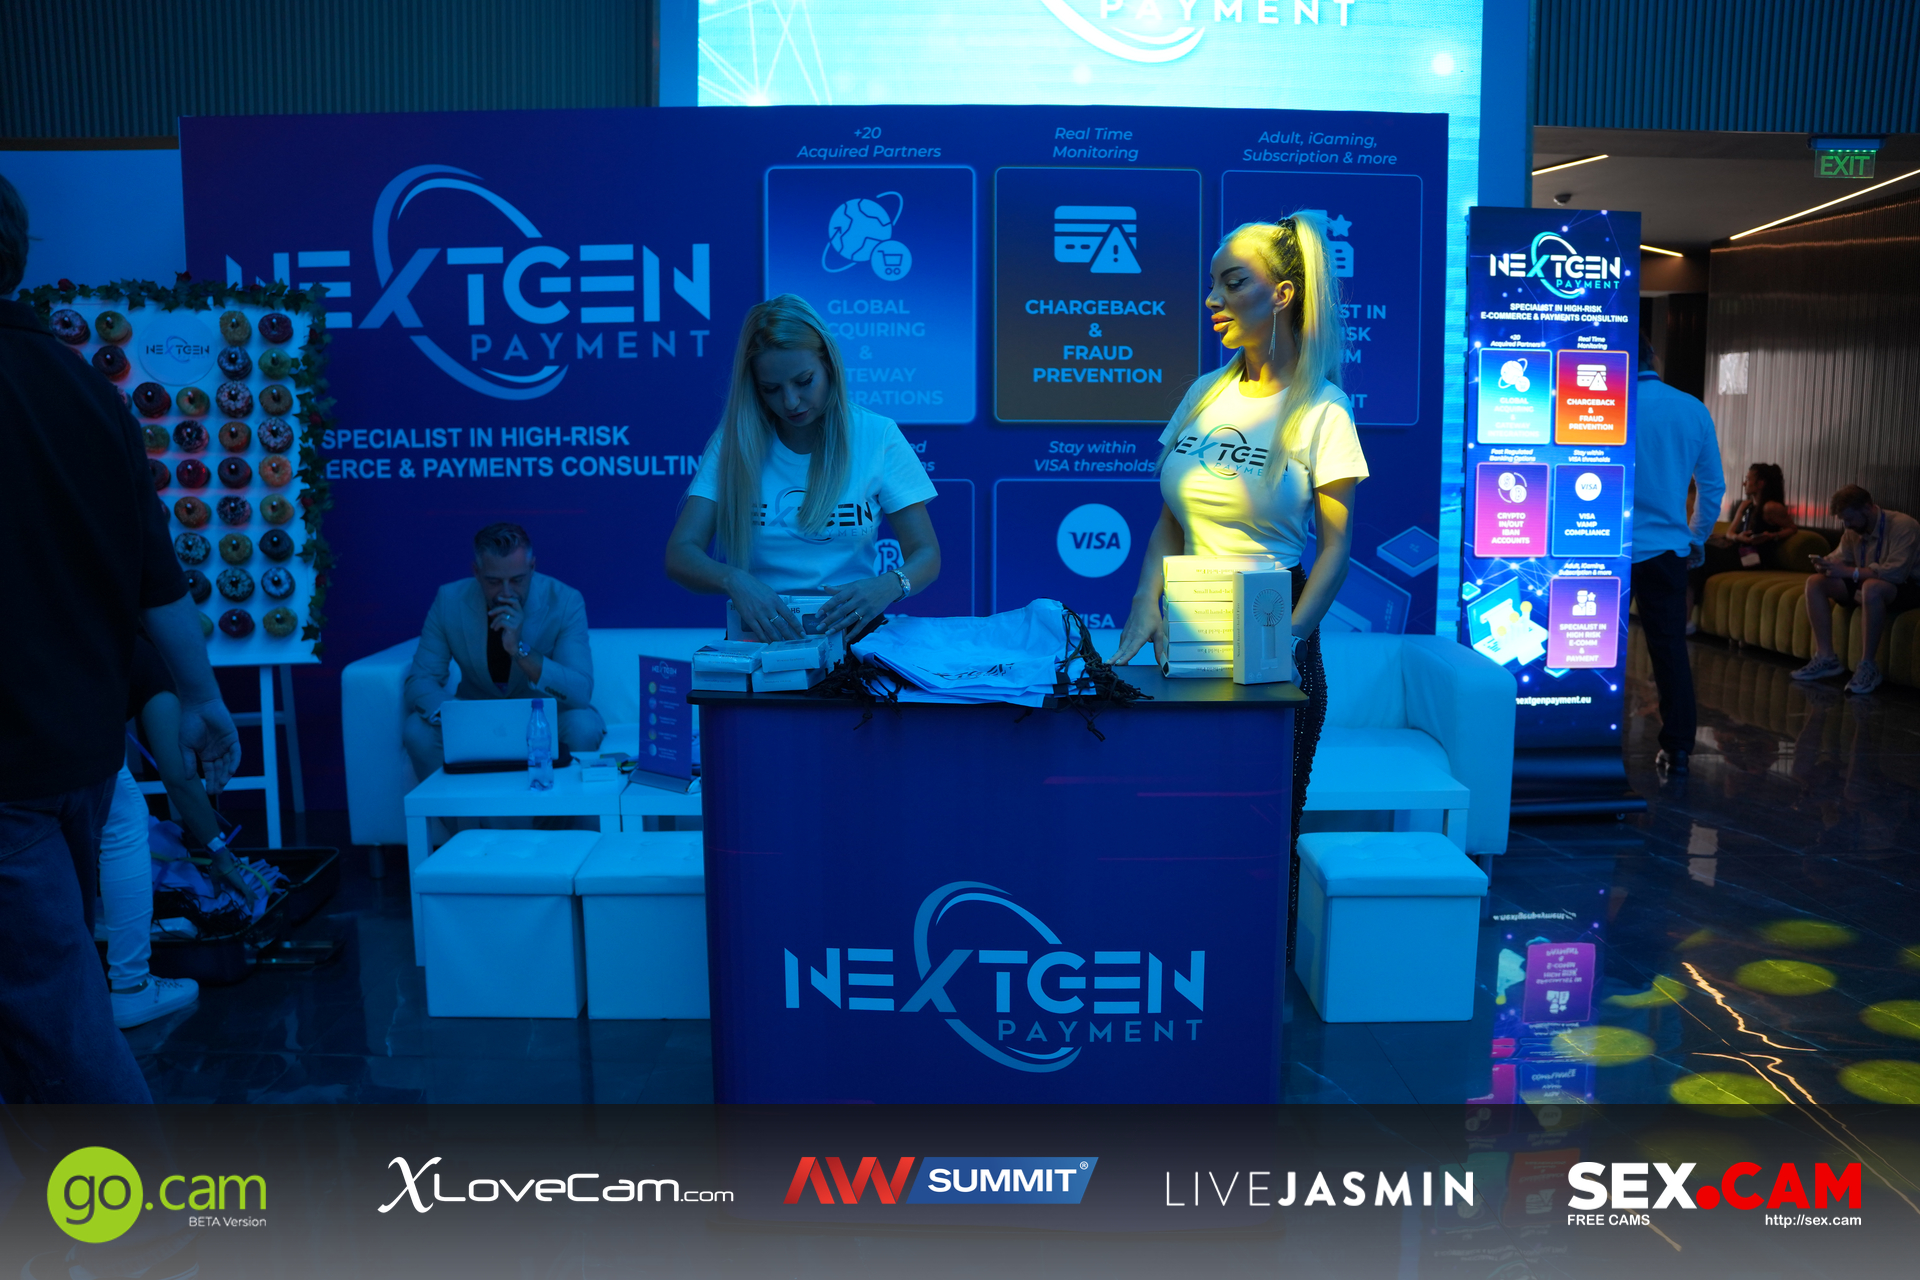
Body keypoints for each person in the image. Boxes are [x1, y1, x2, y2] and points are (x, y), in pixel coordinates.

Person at [0, 172, 240, 1102]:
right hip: (79, 755)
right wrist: (206, 698)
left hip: (13, 767)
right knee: (40, 1012)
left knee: (54, 1018)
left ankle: (129, 1201)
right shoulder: (85, 388)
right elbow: (157, 574)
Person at [1110, 213, 1366, 964]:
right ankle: (1180, 976)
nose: (1213, 299)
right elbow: (1170, 520)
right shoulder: (1202, 392)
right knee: (1183, 819)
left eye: (1233, 282)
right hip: (1189, 631)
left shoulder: (1323, 409)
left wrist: (1288, 641)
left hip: (1273, 629)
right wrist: (1145, 603)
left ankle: (1255, 994)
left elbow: (1336, 550)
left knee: (1262, 829)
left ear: (1282, 294)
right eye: (1212, 283)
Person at [665, 294, 940, 637]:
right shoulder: (735, 444)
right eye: (771, 389)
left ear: (828, 365)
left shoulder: (876, 435)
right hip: (761, 641)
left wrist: (889, 584)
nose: (791, 401)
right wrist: (733, 579)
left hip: (854, 639)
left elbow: (926, 553)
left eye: (804, 381)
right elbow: (680, 553)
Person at [402, 522, 605, 781]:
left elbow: (580, 692)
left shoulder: (564, 601)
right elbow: (420, 680)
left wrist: (519, 649)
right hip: (474, 716)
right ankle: (459, 807)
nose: (506, 593)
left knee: (583, 726)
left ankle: (556, 807)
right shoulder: (449, 600)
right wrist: (457, 715)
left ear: (532, 567)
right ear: (477, 572)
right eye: (494, 582)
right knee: (416, 730)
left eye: (517, 580)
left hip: (539, 717)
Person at [1629, 331, 1724, 776]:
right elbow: (1712, 486)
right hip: (1666, 549)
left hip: (1601, 548)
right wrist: (1696, 537)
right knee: (1669, 650)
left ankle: (1582, 733)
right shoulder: (1691, 408)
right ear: (1654, 355)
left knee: (1587, 645)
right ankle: (1679, 746)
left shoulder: (1604, 405)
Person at [1792, 485, 1920, 695]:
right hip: (1867, 579)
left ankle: (1868, 666)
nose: (1847, 525)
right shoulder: (1853, 530)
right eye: (1844, 520)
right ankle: (1826, 658)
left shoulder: (1903, 526)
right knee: (1815, 582)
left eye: (1850, 519)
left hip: (1908, 586)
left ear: (1868, 507)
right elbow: (1841, 557)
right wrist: (1826, 565)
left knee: (1872, 587)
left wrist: (1849, 572)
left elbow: (1896, 574)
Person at [1693, 462, 1798, 584]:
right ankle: (1692, 591)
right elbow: (1730, 533)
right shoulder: (1745, 505)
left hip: (1754, 557)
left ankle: (1692, 592)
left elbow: (1792, 528)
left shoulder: (1771, 507)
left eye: (1748, 479)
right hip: (1739, 550)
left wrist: (1771, 536)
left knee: (1703, 553)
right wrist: (1739, 537)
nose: (1744, 483)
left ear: (1760, 483)